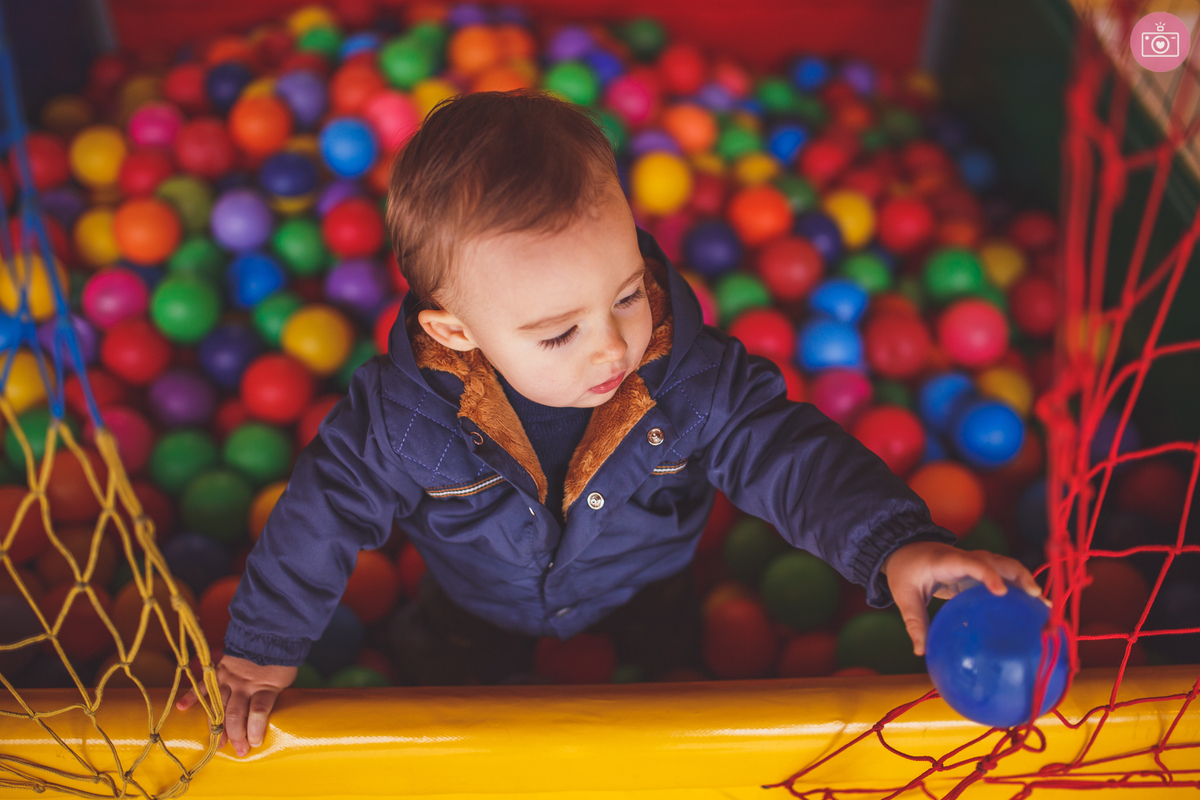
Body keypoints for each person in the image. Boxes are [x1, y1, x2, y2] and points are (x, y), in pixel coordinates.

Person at [178, 89, 1042, 757]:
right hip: (475, 596)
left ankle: (669, 668)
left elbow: (785, 452)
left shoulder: (687, 376)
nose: (612, 346)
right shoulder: (402, 419)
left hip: (648, 581)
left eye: (628, 291)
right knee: (442, 653)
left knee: (671, 657)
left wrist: (894, 544)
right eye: (558, 332)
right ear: (454, 332)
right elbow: (320, 512)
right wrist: (260, 651)